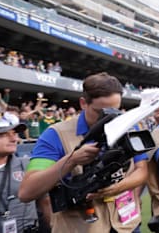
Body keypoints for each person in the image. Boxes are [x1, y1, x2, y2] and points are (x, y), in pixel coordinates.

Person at [19, 72, 148, 232]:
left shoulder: (129, 128)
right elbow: (27, 191)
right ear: (83, 103)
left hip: (126, 224)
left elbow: (142, 170)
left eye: (115, 111)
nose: (109, 119)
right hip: (80, 226)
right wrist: (71, 160)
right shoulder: (55, 135)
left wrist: (118, 187)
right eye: (101, 113)